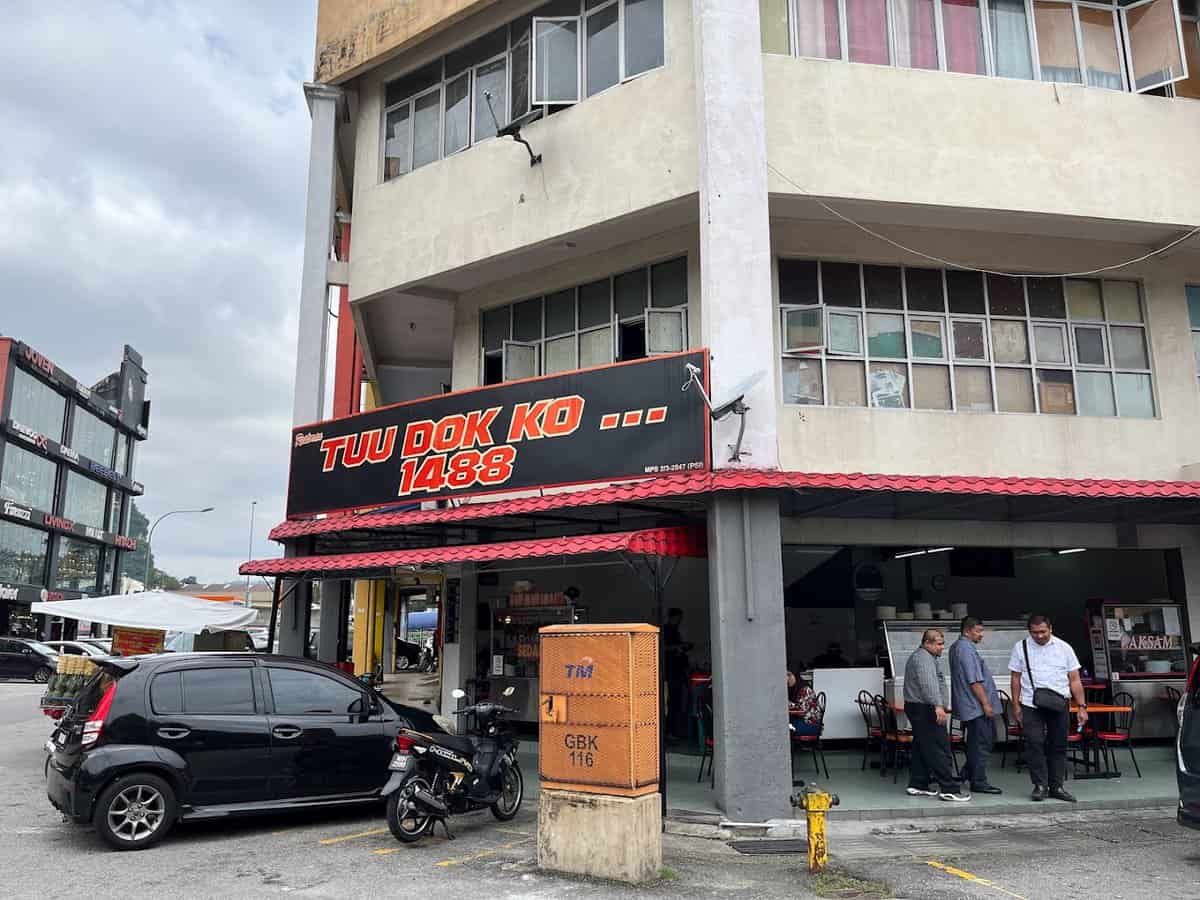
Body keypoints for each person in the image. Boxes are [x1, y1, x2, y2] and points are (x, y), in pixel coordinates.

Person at [1008, 614, 1088, 803]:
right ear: (1029, 632)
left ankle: (1057, 786)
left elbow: (1074, 679)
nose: (1040, 636)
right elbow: (1015, 678)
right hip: (1031, 703)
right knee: (1034, 743)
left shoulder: (1064, 648)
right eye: (1035, 633)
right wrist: (1016, 705)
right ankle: (1040, 785)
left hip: (1059, 703)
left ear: (1050, 629)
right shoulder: (1021, 647)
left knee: (1058, 745)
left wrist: (1082, 706)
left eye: (1043, 632)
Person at [903, 629, 969, 802]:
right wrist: (938, 706)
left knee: (921, 747)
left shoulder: (925, 657)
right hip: (926, 708)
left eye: (942, 643)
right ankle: (949, 788)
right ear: (927, 643)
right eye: (939, 644)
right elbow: (928, 685)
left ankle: (918, 784)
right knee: (938, 748)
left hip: (920, 707)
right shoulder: (923, 658)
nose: (942, 648)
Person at [949, 617, 1002, 795]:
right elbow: (974, 681)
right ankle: (978, 781)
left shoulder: (958, 647)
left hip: (970, 705)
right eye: (978, 631)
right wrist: (986, 704)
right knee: (982, 743)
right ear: (966, 631)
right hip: (976, 706)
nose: (981, 634)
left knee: (979, 741)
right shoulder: (965, 649)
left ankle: (967, 773)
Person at [663, 608, 693, 740]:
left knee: (676, 702)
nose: (680, 621)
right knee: (672, 702)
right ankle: (670, 732)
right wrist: (679, 647)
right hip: (671, 672)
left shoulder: (674, 631)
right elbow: (663, 647)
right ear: (673, 617)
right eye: (678, 618)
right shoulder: (667, 630)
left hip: (676, 671)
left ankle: (673, 731)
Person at [787, 670, 821, 736]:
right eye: (786, 675)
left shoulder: (805, 689)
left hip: (810, 724)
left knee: (783, 728)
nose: (787, 678)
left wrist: (789, 705)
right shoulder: (793, 689)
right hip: (801, 721)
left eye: (790, 675)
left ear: (795, 675)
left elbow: (802, 711)